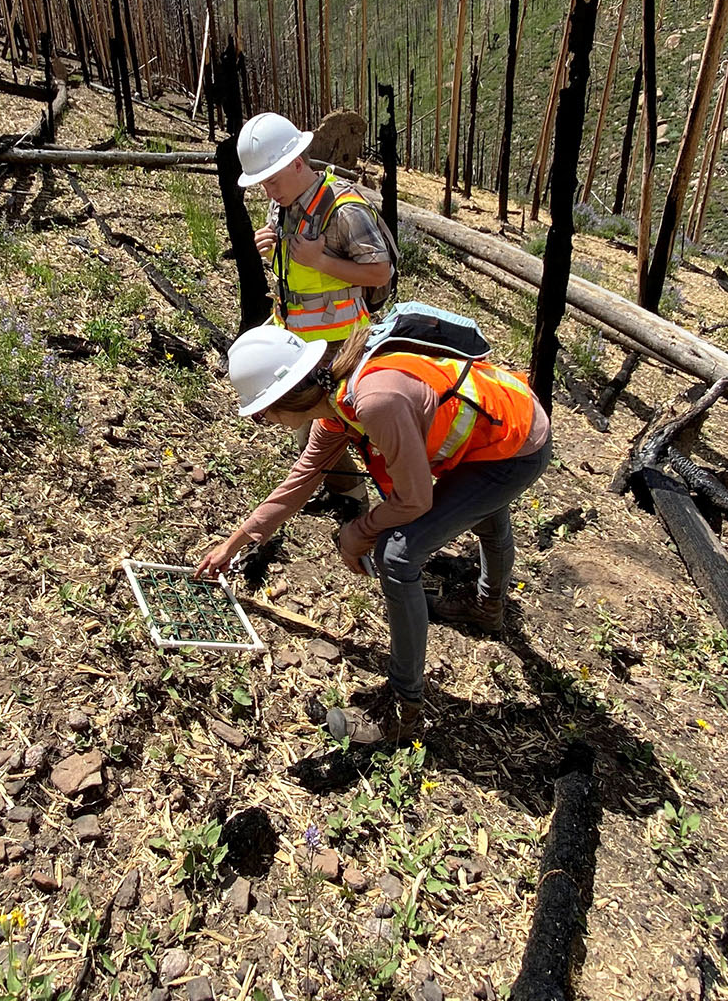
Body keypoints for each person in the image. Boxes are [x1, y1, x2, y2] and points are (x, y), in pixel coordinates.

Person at [196, 323, 552, 746]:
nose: (264, 420)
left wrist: (357, 533)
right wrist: (233, 543)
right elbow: (301, 479)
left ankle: (404, 709)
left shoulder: (375, 400)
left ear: (284, 399)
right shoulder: (336, 405)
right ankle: (487, 607)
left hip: (516, 441)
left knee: (398, 556)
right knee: (484, 513)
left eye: (261, 411)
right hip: (496, 422)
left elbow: (414, 501)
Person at [236, 112, 397, 503]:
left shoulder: (344, 208)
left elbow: (379, 273)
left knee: (351, 429)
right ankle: (348, 493)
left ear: (297, 162)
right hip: (297, 341)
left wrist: (321, 262)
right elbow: (295, 273)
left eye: (273, 179)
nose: (269, 190)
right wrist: (272, 250)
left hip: (341, 345)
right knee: (311, 426)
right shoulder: (282, 205)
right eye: (262, 182)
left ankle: (387, 504)